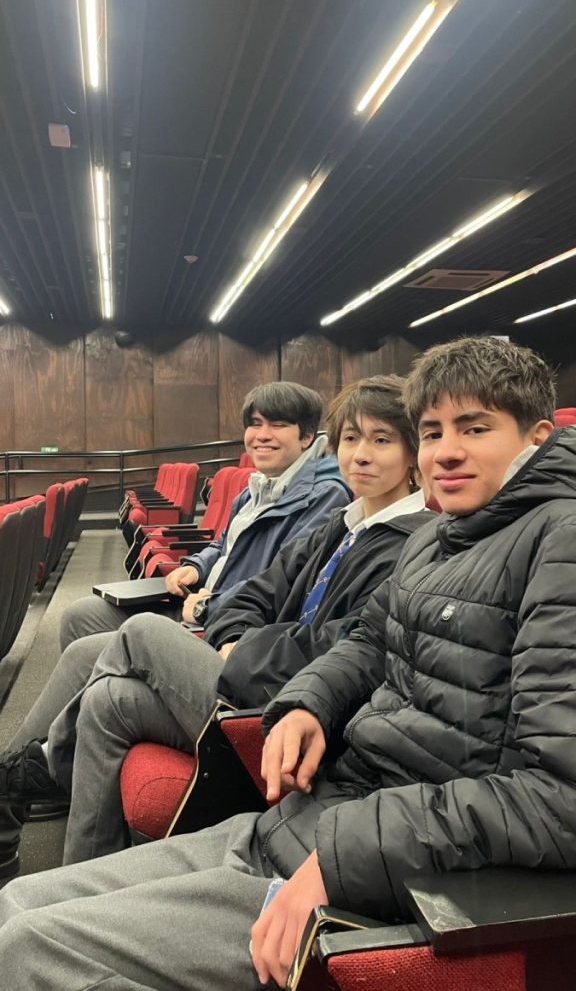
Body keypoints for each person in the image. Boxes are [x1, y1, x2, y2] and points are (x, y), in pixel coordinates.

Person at [1, 336, 575, 991]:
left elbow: (560, 798)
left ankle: (25, 776)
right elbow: (366, 641)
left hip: (385, 875)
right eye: (432, 431)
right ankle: (27, 777)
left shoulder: (559, 541)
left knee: (28, 951)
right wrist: (309, 702)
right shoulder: (444, 538)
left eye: (474, 429)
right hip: (311, 820)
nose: (445, 451)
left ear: (535, 438)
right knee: (14, 904)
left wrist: (348, 852)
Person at [1, 376, 428, 868]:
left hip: (288, 713)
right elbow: (256, 590)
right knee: (108, 696)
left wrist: (243, 646)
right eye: (351, 438)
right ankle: (78, 868)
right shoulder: (346, 523)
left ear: (412, 454)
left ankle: (32, 770)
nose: (361, 455)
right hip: (249, 672)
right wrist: (231, 633)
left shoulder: (410, 544)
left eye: (381, 440)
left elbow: (337, 648)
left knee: (142, 631)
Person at [61, 380, 351, 647]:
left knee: (88, 653)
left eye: (277, 425)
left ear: (306, 436)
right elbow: (223, 545)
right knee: (81, 615)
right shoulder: (255, 489)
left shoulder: (324, 496)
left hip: (231, 624)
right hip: (200, 601)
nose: (262, 435)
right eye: (255, 424)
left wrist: (207, 607)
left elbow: (283, 584)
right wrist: (197, 567)